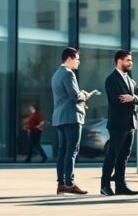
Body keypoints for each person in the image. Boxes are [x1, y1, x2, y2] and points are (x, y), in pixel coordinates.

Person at [100, 50, 138, 196]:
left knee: (124, 156)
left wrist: (132, 98)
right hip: (117, 123)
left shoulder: (131, 80)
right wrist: (131, 99)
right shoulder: (111, 79)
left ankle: (121, 186)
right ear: (119, 61)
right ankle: (105, 186)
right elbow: (118, 99)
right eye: (128, 60)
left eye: (131, 60)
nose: (130, 63)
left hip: (130, 123)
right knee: (112, 154)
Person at [51, 47, 92, 195]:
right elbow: (75, 97)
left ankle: (61, 184)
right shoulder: (69, 74)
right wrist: (84, 95)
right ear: (69, 58)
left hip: (59, 118)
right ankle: (70, 183)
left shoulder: (56, 74)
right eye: (77, 59)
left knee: (62, 152)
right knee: (72, 151)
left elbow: (65, 97)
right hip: (71, 117)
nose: (79, 62)